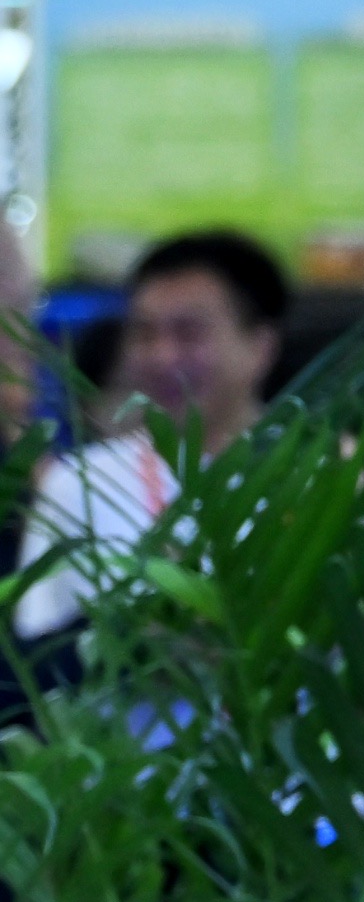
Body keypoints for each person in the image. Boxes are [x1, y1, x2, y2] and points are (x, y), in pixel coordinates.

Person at [11, 224, 292, 645]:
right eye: (144, 333)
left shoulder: (327, 478)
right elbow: (38, 655)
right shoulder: (80, 485)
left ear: (260, 346)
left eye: (189, 333)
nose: (163, 356)